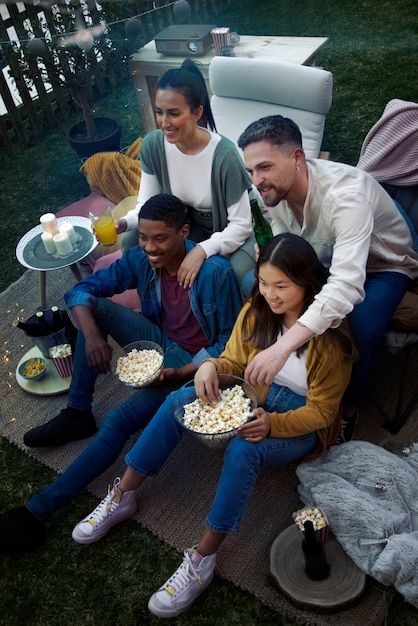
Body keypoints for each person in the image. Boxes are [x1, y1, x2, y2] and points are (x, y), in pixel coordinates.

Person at [70, 234, 357, 618]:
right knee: (178, 400)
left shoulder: (330, 340)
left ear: (308, 283)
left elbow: (323, 412)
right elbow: (234, 362)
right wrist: (210, 366)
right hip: (253, 392)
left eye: (282, 287)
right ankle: (123, 495)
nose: (270, 295)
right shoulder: (257, 311)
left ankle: (203, 558)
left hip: (298, 416)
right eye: (264, 282)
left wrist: (273, 424)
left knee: (245, 445)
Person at [0, 194, 242, 550]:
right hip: (159, 341)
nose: (149, 246)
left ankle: (38, 510)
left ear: (184, 233)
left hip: (196, 368)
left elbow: (230, 344)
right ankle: (78, 410)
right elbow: (80, 290)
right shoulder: (141, 259)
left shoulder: (214, 274)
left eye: (159, 238)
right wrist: (94, 337)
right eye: (143, 237)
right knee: (92, 311)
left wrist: (178, 374)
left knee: (119, 420)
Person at [239, 115, 418, 442]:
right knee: (254, 281)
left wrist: (282, 347)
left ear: (296, 158)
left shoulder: (345, 197)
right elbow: (284, 242)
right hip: (323, 257)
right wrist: (270, 259)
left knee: (359, 326)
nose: (257, 180)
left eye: (264, 167)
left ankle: (348, 410)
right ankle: (294, 377)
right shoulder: (274, 190)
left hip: (383, 264)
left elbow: (346, 285)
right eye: (251, 171)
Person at [116, 58, 255, 288]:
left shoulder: (224, 155)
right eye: (159, 112)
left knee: (236, 274)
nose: (164, 122)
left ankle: (231, 321)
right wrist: (123, 222)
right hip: (186, 224)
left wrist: (202, 250)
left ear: (196, 112)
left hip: (231, 228)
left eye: (173, 113)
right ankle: (158, 300)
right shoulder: (153, 145)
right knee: (132, 239)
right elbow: (147, 204)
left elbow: (241, 225)